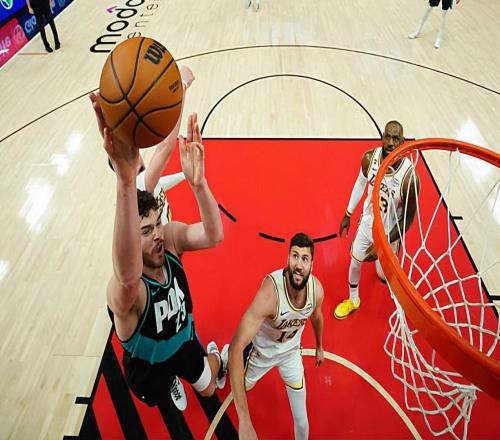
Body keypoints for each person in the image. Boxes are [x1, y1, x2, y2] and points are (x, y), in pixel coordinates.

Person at [93, 97, 229, 437]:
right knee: (158, 397)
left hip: (183, 343)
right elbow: (128, 276)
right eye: (145, 230)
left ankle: (216, 357)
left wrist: (199, 185)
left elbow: (214, 235)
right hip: (149, 367)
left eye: (157, 224)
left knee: (209, 387)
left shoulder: (168, 241)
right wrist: (125, 182)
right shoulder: (128, 294)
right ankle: (170, 381)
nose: (156, 234)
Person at [229, 233, 324, 440]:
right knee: (235, 381)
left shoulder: (316, 291)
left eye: (305, 259)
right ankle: (220, 360)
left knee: (302, 420)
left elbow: (317, 316)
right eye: (295, 256)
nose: (299, 265)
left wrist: (319, 346)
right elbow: (236, 345)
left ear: (312, 265)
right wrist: (245, 422)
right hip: (260, 354)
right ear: (288, 258)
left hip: (290, 353)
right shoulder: (270, 294)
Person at [334, 121, 420, 320]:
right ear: (382, 137)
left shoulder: (409, 179)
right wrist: (348, 213)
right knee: (355, 261)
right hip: (368, 222)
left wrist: (382, 243)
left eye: (396, 138)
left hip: (390, 232)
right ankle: (353, 300)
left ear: (403, 142)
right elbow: (360, 183)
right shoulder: (369, 158)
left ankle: (386, 272)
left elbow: (407, 221)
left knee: (383, 277)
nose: (390, 142)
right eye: (387, 137)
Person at [91, 65, 196, 225]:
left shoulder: (139, 186)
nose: (136, 151)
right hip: (161, 239)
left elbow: (160, 184)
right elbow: (166, 146)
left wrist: (184, 175)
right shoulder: (141, 184)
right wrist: (181, 87)